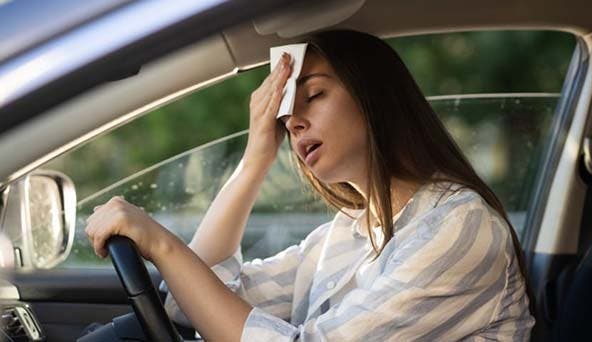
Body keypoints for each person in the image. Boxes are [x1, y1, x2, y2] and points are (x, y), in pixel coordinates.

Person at [85, 29, 536, 341]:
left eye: (315, 95)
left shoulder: (460, 227)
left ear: (374, 96)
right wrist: (255, 158)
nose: (294, 122)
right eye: (285, 115)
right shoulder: (351, 231)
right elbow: (192, 304)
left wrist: (161, 244)